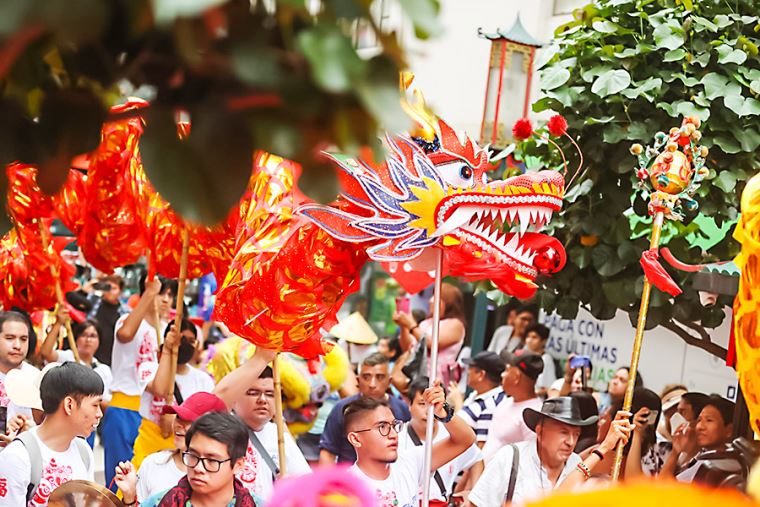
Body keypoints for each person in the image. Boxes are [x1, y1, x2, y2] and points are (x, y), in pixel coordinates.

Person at [468, 397, 634, 507]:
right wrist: (604, 446)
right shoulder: (511, 457)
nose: (570, 442)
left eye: (576, 434)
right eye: (563, 432)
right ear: (540, 431)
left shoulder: (576, 464)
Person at [101, 275, 176, 490]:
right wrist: (150, 292)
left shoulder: (167, 332)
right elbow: (125, 334)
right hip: (125, 410)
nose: (165, 299)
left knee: (152, 487)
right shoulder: (129, 321)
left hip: (156, 420)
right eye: (161, 292)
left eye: (169, 295)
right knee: (121, 484)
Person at [345, 384, 476, 507]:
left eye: (394, 426)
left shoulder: (410, 462)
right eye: (382, 427)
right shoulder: (345, 490)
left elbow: (465, 440)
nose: (393, 434)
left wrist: (443, 412)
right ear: (355, 439)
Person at [0, 362, 103, 507]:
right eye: (95, 405)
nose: (99, 414)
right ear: (69, 405)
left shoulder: (83, 451)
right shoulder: (17, 457)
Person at [116, 412, 256, 507]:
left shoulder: (258, 504)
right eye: (193, 456)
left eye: (212, 461)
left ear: (238, 464)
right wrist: (129, 497)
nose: (198, 468)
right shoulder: (162, 501)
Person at [131, 319, 215, 470]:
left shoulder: (204, 380)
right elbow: (160, 390)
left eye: (191, 341)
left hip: (187, 449)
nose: (185, 345)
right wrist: (168, 350)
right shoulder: (149, 368)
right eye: (181, 339)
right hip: (150, 445)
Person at [231, 365, 310, 499]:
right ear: (235, 397)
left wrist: (292, 487)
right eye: (253, 392)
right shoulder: (222, 431)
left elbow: (308, 483)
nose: (262, 400)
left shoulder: (278, 435)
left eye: (270, 394)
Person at [399, 377, 482, 506]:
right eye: (422, 404)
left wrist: (473, 495)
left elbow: (477, 459)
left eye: (433, 405)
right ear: (409, 405)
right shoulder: (396, 438)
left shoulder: (453, 435)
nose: (428, 411)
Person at [135, 392, 229, 503]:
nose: (180, 424)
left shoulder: (224, 475)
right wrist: (129, 498)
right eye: (179, 417)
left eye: (190, 420)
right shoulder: (153, 463)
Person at [320, 353, 411, 465]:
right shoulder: (342, 409)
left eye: (380, 377)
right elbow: (328, 453)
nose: (372, 384)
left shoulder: (402, 409)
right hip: (349, 478)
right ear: (358, 381)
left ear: (389, 382)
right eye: (366, 377)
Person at [394, 282, 467, 386]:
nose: (431, 301)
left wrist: (411, 325)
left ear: (449, 303)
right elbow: (408, 347)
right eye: (432, 296)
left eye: (437, 297)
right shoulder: (425, 323)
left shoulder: (455, 324)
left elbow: (431, 343)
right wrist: (403, 326)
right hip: (417, 379)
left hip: (438, 381)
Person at [39, 313, 113, 408]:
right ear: (76, 339)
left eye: (93, 336)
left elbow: (108, 401)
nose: (88, 340)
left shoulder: (104, 369)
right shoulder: (67, 357)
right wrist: (58, 323)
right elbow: (46, 352)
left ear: (99, 341)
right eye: (84, 335)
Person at [481, 351, 544, 462]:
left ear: (516, 377)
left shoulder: (533, 414)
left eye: (506, 369)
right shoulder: (506, 402)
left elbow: (530, 460)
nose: (502, 374)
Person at [669, 395, 739, 485]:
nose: (700, 427)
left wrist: (675, 453)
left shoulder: (713, 464)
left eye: (709, 420)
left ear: (729, 430)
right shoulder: (705, 456)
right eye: (699, 420)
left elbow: (664, 487)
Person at [448, 351, 505, 446]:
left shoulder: (491, 404)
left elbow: (481, 446)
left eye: (470, 368)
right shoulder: (476, 394)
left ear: (481, 374)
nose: (468, 372)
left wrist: (458, 402)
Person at [0, 311, 39, 441]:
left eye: (23, 339)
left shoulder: (38, 378)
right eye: (10, 338)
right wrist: (3, 427)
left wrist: (31, 430)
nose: (17, 346)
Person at [84, 275, 130, 366]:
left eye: (114, 288)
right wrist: (89, 286)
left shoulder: (126, 312)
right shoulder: (92, 302)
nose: (110, 291)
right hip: (89, 356)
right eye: (107, 287)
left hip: (111, 360)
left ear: (120, 291)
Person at [523, 324, 556, 396]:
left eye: (534, 337)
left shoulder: (546, 359)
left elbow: (548, 388)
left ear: (543, 341)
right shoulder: (525, 357)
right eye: (528, 336)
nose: (529, 340)